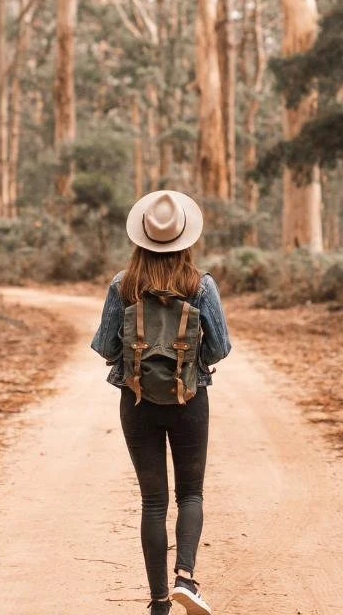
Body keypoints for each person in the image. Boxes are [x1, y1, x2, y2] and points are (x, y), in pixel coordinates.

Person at [91, 190, 232, 615]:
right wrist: (189, 365)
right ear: (185, 238)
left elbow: (106, 347)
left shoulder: (123, 284)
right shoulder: (200, 285)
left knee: (153, 501)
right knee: (191, 494)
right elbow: (220, 347)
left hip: (136, 402)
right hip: (189, 399)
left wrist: (140, 359)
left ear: (142, 238)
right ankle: (185, 579)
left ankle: (158, 605)